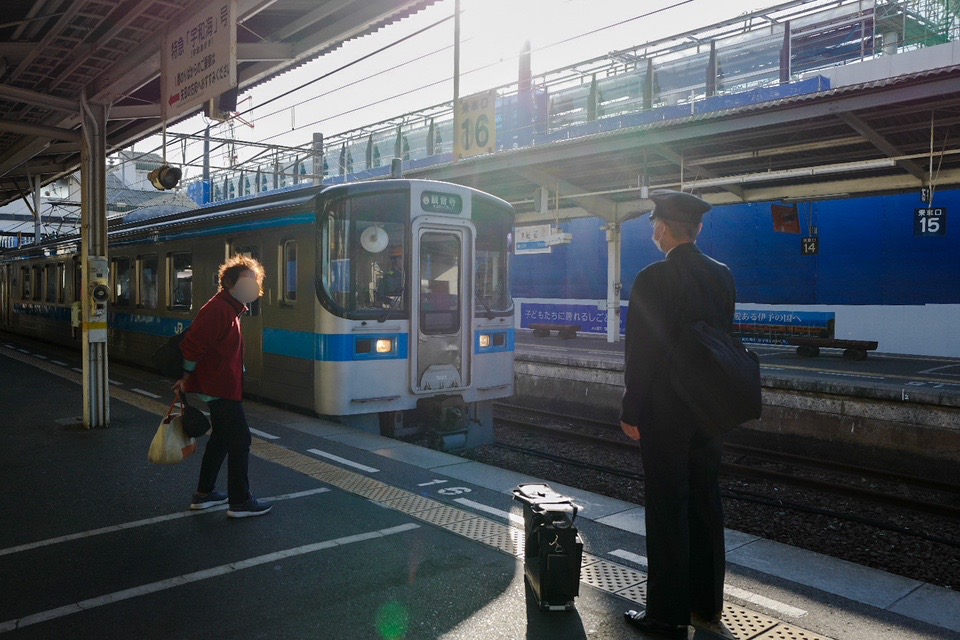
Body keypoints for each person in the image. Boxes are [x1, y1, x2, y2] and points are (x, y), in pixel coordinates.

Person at [620, 190, 735, 638]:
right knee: (706, 501)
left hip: (665, 413)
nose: (653, 231)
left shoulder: (652, 279)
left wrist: (632, 408)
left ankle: (667, 614)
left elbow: (641, 352)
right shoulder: (722, 277)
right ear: (698, 228)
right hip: (709, 410)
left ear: (664, 229)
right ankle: (706, 605)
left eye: (654, 225)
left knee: (668, 509)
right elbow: (721, 343)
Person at [173, 254, 272, 519]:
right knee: (241, 440)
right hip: (219, 387)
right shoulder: (220, 309)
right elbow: (192, 344)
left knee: (221, 438)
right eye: (247, 281)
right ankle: (240, 502)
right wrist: (186, 375)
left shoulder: (231, 308)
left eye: (255, 281)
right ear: (230, 284)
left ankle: (204, 494)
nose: (253, 286)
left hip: (222, 384)